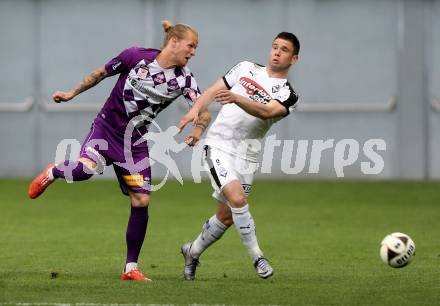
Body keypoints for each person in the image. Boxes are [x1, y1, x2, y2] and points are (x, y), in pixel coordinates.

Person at [28, 20, 211, 282]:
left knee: (142, 201)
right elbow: (99, 73)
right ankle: (54, 171)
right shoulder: (135, 57)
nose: (193, 52)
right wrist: (71, 93)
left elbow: (203, 110)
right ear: (174, 42)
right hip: (106, 129)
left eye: (196, 48)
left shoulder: (185, 79)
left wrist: (198, 130)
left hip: (134, 145)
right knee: (83, 171)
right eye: (191, 46)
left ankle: (130, 269)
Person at [178, 32, 300, 280]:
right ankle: (258, 257)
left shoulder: (289, 94)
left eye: (284, 49)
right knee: (238, 199)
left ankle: (192, 251)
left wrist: (237, 97)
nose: (277, 52)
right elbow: (214, 89)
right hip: (219, 145)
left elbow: (266, 112)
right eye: (274, 46)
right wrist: (196, 110)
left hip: (247, 155)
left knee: (226, 216)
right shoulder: (246, 68)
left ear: (294, 58)